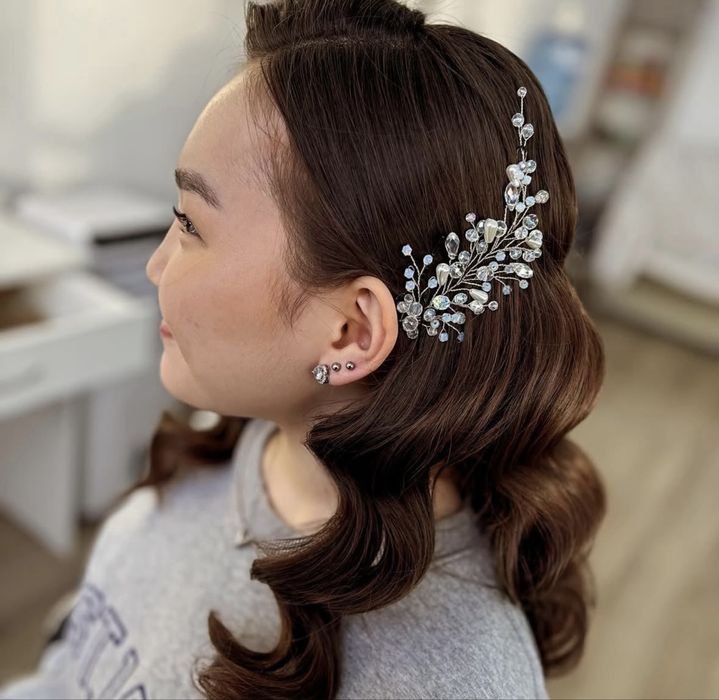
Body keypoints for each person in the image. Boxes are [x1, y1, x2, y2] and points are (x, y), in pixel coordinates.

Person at [0, 0, 607, 698]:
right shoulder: (241, 438)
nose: (156, 266)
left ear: (350, 332)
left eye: (190, 225)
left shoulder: (446, 681)